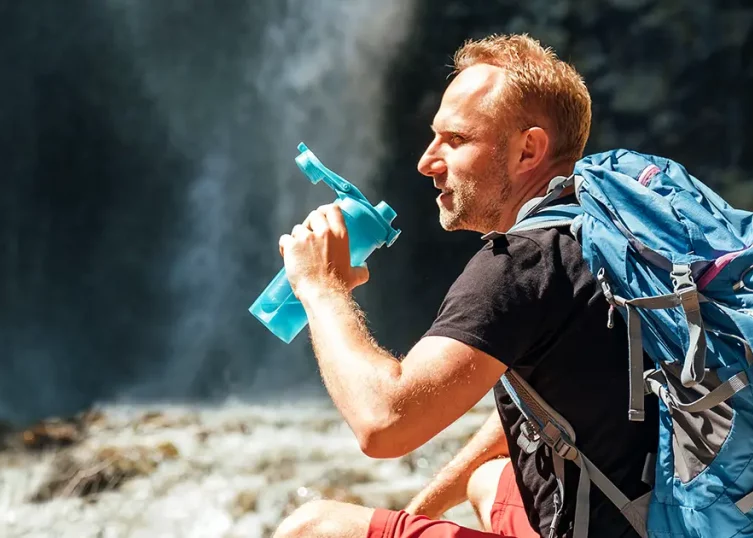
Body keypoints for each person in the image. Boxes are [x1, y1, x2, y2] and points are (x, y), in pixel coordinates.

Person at [271, 33, 658, 538]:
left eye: (456, 140)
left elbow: (384, 423)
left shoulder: (520, 265)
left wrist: (322, 287)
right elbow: (552, 401)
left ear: (529, 151)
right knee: (486, 480)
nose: (427, 162)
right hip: (692, 516)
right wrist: (422, 507)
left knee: (313, 529)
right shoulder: (619, 234)